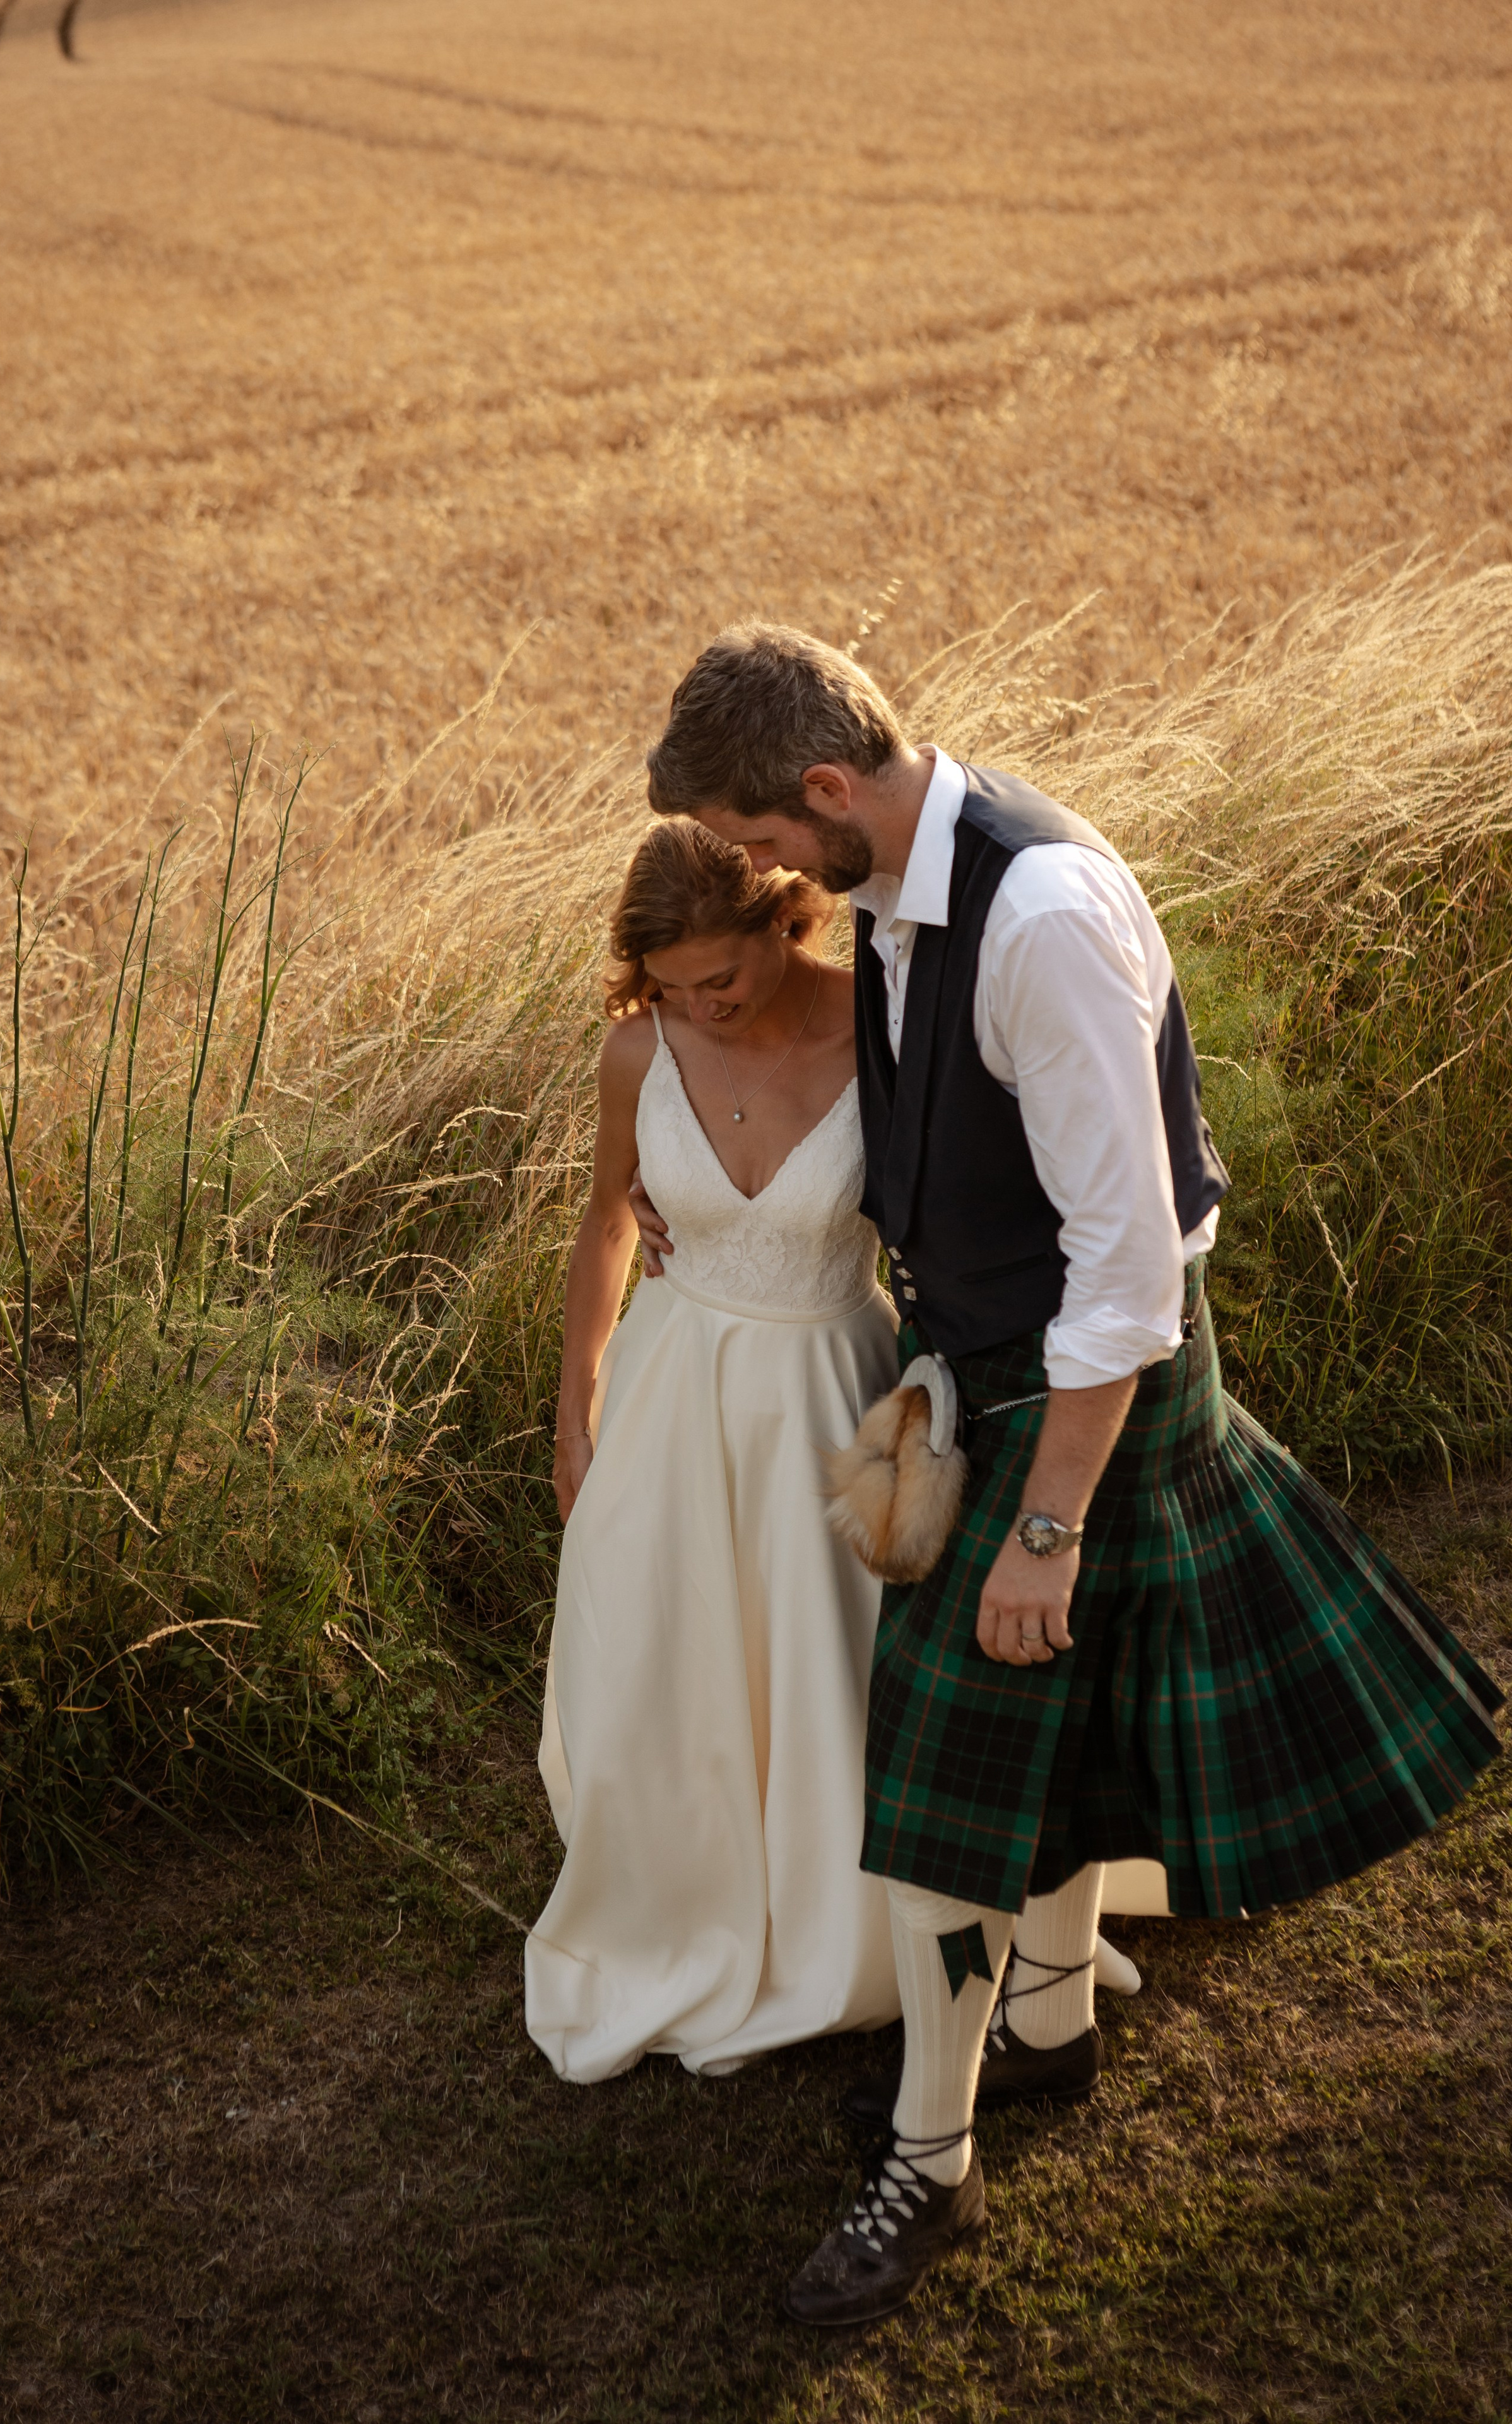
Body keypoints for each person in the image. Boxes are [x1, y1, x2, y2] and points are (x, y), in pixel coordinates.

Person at [637, 623, 1503, 2327]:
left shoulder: (1034, 918)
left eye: (761, 846)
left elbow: (1130, 1265)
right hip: (999, 1366)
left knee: (944, 1778)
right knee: (1046, 1722)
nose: (763, 881)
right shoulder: (912, 894)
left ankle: (931, 2165)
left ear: (824, 789)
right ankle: (1041, 2023)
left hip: (1083, 1384)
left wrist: (1046, 1523)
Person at [524, 820, 901, 2080]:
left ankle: (829, 1909)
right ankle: (684, 1892)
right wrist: (575, 1412)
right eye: (671, 985)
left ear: (783, 920)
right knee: (666, 1652)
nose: (699, 1008)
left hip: (828, 1388)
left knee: (824, 1665)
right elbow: (602, 1231)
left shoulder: (883, 1026)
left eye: (720, 981)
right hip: (670, 1391)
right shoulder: (637, 1049)